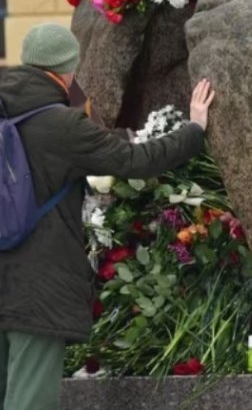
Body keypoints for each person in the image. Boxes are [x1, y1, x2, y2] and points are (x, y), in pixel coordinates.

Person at [0, 23, 215, 410]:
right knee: (29, 401)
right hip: (38, 286)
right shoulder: (61, 125)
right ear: (67, 68)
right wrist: (193, 129)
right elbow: (136, 160)